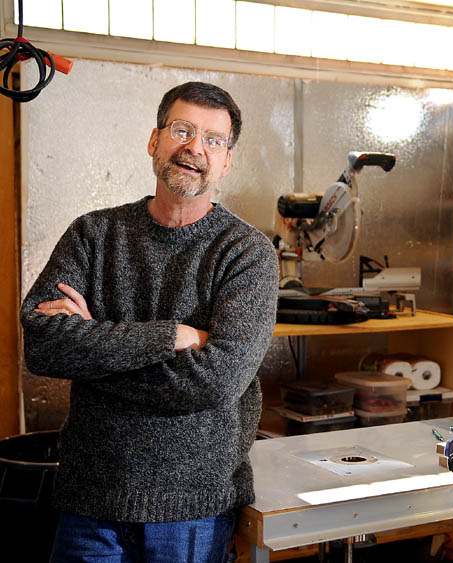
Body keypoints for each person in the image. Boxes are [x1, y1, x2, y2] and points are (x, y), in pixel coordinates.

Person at [20, 81, 278, 562]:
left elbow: (218, 381)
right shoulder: (93, 234)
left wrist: (93, 349)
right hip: (90, 501)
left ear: (226, 161)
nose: (194, 147)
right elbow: (42, 345)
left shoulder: (246, 253)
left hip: (193, 509)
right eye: (182, 130)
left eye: (213, 140)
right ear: (154, 140)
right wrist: (172, 335)